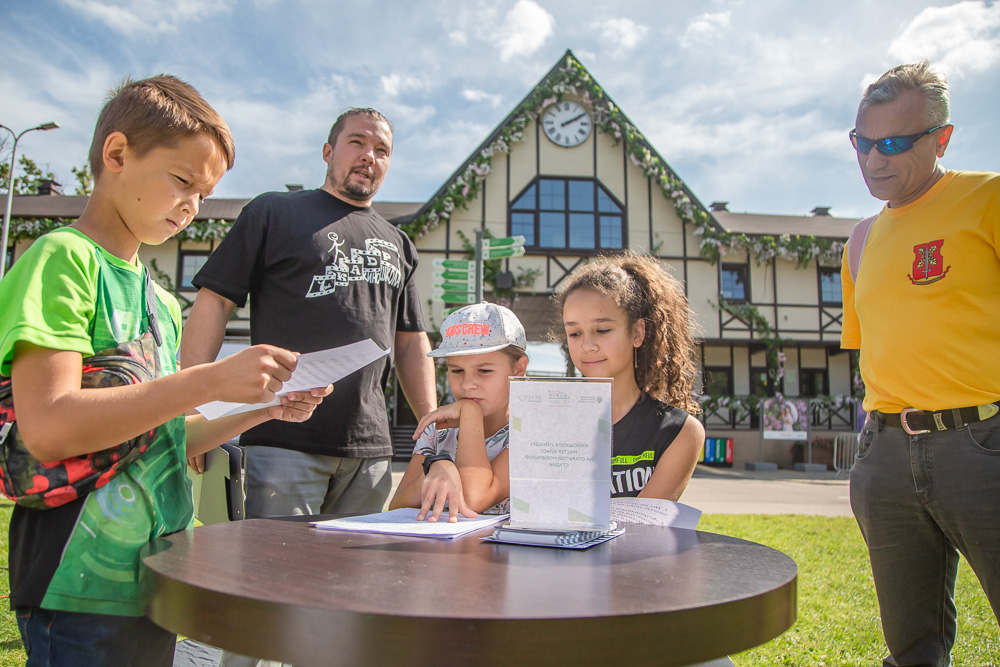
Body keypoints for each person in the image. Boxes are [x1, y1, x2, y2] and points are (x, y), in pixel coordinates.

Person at [0, 75, 331, 666]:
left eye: (204, 195)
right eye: (183, 182)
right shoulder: (62, 259)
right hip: (77, 584)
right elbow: (47, 428)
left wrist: (267, 409)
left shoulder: (159, 300)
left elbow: (168, 440)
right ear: (118, 155)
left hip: (158, 578)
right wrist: (208, 380)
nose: (193, 208)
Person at [181, 108, 437, 520]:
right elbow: (216, 301)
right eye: (357, 142)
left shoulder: (400, 243)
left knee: (356, 582)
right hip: (283, 437)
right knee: (278, 578)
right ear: (328, 151)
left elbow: (409, 340)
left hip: (369, 452)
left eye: (382, 149)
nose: (369, 155)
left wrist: (429, 425)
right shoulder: (273, 213)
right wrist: (192, 406)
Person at [842, 61, 1000, 666]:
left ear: (943, 138)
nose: (874, 160)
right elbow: (875, 353)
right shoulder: (859, 240)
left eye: (894, 144)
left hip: (982, 444)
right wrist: (870, 453)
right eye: (863, 143)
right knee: (912, 647)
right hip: (884, 456)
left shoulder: (986, 199)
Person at [555, 250, 705, 500]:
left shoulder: (680, 432)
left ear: (637, 333)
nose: (587, 345)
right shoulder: (547, 419)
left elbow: (641, 528)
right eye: (575, 333)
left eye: (602, 329)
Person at [389, 302, 528, 522]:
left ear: (518, 369)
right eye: (457, 370)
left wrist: (470, 412)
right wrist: (436, 465)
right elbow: (396, 508)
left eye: (483, 371)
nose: (467, 385)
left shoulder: (530, 431)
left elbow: (474, 498)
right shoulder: (437, 432)